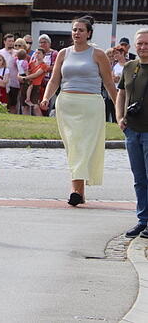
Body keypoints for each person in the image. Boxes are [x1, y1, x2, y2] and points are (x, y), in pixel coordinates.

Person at [40, 16, 118, 207]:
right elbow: (55, 79)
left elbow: (108, 83)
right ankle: (78, 192)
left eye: (81, 30)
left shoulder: (97, 54)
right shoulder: (63, 54)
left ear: (89, 33)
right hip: (67, 104)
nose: (77, 33)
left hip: (91, 105)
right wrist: (46, 97)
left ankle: (76, 191)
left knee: (85, 147)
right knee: (74, 147)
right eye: (74, 30)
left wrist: (119, 106)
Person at [116, 29, 148, 238]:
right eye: (140, 44)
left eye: (147, 43)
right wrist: (120, 117)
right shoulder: (129, 67)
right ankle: (142, 220)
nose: (143, 47)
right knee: (139, 178)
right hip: (132, 130)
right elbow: (121, 93)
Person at [0, 34, 21, 114]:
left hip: (14, 82)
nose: (11, 43)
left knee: (13, 103)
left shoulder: (17, 53)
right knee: (3, 102)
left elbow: (22, 66)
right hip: (2, 82)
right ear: (4, 42)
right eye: (9, 41)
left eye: (12, 41)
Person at [22, 49, 50, 116]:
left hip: (36, 86)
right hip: (28, 85)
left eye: (39, 53)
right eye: (36, 53)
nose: (37, 55)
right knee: (25, 106)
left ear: (43, 55)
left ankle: (41, 120)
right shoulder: (31, 63)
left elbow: (36, 74)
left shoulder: (44, 65)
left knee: (35, 106)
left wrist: (24, 78)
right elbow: (26, 71)